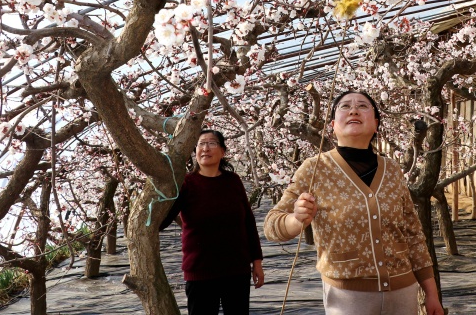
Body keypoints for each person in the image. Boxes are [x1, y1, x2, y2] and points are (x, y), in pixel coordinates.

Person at [264, 90, 444, 315]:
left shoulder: (392, 170)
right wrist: (296, 219)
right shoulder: (314, 169)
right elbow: (272, 225)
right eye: (345, 106)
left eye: (363, 106)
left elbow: (413, 234)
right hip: (347, 298)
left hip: (402, 293)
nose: (354, 110)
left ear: (376, 123)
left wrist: (431, 293)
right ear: (332, 125)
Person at [160, 129, 264, 315]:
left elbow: (248, 222)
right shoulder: (186, 184)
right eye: (201, 144)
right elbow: (163, 221)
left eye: (211, 143)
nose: (205, 148)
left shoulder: (233, 181)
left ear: (223, 151)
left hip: (236, 270)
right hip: (200, 272)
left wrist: (257, 262)